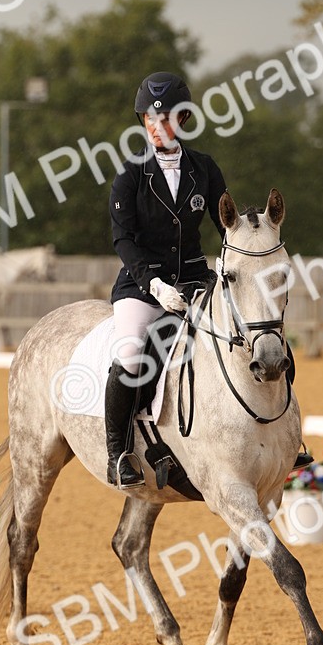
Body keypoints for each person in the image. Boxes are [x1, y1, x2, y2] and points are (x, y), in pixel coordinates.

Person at [105, 72, 227, 487]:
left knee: (251, 334)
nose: (159, 128)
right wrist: (154, 286)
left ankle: (279, 435)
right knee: (132, 354)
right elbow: (123, 239)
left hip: (194, 278)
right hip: (143, 284)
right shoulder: (131, 174)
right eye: (151, 120)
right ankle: (117, 452)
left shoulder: (204, 169)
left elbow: (226, 225)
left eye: (168, 119)